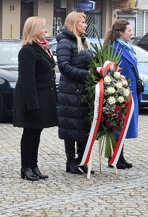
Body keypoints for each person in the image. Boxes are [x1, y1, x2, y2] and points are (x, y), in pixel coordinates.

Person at [13, 16, 57, 181]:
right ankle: (26, 167)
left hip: (44, 97)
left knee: (37, 132)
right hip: (32, 99)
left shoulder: (43, 48)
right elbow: (27, 81)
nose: (45, 31)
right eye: (42, 27)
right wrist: (32, 104)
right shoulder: (28, 51)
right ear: (33, 30)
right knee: (30, 132)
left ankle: (34, 165)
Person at [56, 12, 93, 175]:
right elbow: (64, 66)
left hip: (84, 91)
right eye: (82, 22)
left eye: (85, 22)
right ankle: (71, 162)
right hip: (71, 91)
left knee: (84, 127)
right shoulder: (65, 42)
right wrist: (87, 74)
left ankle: (83, 160)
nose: (85, 25)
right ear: (74, 23)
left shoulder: (84, 42)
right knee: (71, 127)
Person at [105, 19, 139, 170]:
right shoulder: (114, 48)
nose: (132, 33)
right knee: (118, 123)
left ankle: (120, 155)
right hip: (119, 91)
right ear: (120, 32)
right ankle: (114, 157)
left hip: (130, 91)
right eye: (129, 31)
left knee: (125, 124)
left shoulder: (128, 48)